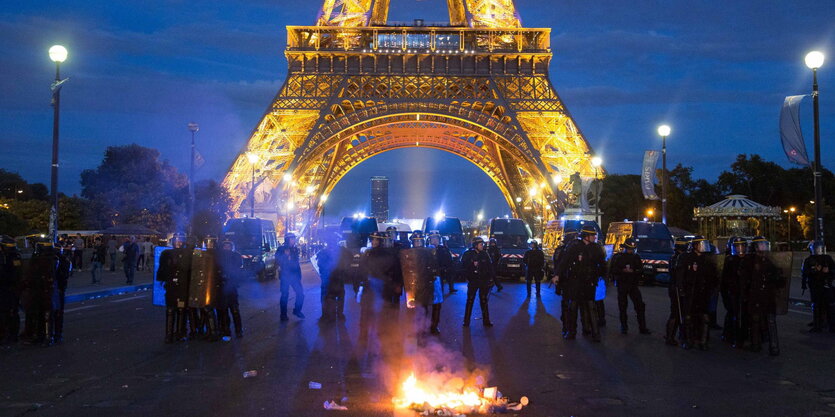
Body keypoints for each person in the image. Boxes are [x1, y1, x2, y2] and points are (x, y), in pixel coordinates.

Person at [556, 225, 606, 341]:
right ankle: (571, 332)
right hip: (575, 281)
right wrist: (557, 274)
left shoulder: (596, 248)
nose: (594, 237)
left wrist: (601, 276)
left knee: (591, 307)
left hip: (589, 281)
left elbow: (602, 264)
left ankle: (595, 334)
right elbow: (564, 262)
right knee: (572, 307)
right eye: (593, 235)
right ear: (586, 236)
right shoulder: (574, 247)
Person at [739, 236, 785, 355]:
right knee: (755, 320)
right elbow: (744, 280)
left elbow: (777, 279)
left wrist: (778, 277)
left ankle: (774, 347)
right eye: (761, 245)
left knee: (770, 320)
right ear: (755, 247)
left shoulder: (768, 261)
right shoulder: (749, 261)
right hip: (755, 295)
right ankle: (756, 344)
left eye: (765, 245)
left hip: (768, 295)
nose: (764, 247)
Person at [679, 236, 718, 350]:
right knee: (688, 317)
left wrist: (712, 288)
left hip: (703, 292)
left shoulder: (707, 259)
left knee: (704, 317)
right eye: (700, 244)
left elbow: (713, 276)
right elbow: (681, 275)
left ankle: (703, 340)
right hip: (691, 291)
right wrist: (682, 288)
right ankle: (688, 340)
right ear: (695, 245)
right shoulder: (687, 258)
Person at [402, 231, 443, 335]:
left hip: (431, 282)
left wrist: (436, 276)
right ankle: (420, 329)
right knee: (420, 307)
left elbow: (440, 266)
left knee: (436, 305)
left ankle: (432, 327)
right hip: (417, 284)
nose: (418, 243)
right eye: (416, 242)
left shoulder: (432, 252)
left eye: (420, 241)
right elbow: (406, 271)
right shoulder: (409, 253)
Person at [157, 233, 193, 343]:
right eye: (177, 240)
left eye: (181, 240)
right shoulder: (166, 253)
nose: (178, 242)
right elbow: (162, 268)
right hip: (171, 285)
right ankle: (169, 334)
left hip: (183, 285)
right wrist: (162, 280)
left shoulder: (188, 253)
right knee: (170, 309)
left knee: (181, 309)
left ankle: (180, 333)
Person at [609, 238, 650, 335]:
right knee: (622, 307)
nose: (631, 251)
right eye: (629, 248)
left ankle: (642, 327)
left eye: (632, 249)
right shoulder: (618, 257)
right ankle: (624, 327)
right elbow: (613, 270)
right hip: (622, 285)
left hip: (633, 285)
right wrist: (622, 271)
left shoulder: (636, 257)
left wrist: (634, 272)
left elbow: (641, 270)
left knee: (640, 306)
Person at [802, 240, 835, 333]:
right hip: (815, 286)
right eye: (816, 248)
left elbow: (833, 269)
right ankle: (817, 326)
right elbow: (805, 273)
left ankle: (832, 325)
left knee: (830, 306)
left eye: (819, 248)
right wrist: (813, 272)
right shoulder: (809, 260)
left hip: (826, 285)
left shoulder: (827, 258)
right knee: (816, 306)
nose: (818, 250)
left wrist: (828, 271)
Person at [461, 237, 493, 327]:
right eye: (480, 244)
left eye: (482, 244)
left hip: (483, 281)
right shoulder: (467, 254)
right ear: (475, 245)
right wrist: (471, 265)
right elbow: (463, 267)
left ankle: (486, 321)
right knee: (470, 300)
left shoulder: (485, 254)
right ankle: (466, 321)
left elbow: (490, 267)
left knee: (484, 300)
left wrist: (491, 279)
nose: (482, 246)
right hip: (473, 281)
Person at [720, 237, 747, 346]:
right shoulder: (730, 260)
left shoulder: (748, 259)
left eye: (742, 246)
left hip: (744, 292)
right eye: (737, 246)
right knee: (732, 314)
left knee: (744, 315)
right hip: (733, 291)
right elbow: (725, 279)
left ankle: (743, 336)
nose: (740, 249)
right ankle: (729, 335)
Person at [552, 232, 579, 336]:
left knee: (568, 306)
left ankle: (568, 328)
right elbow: (558, 265)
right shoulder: (564, 250)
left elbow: (557, 266)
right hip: (568, 281)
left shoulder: (563, 249)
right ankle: (569, 328)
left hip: (568, 281)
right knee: (570, 306)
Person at [664, 237, 690, 346]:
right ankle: (670, 337)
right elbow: (678, 275)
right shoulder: (678, 258)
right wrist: (680, 288)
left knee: (678, 312)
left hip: (675, 287)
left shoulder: (675, 257)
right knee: (676, 312)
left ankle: (675, 335)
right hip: (676, 288)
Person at [217, 239, 244, 338]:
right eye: (225, 246)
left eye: (228, 246)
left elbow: (238, 268)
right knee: (223, 310)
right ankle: (226, 330)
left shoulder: (235, 256)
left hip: (231, 286)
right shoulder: (219, 256)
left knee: (234, 309)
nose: (226, 248)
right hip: (222, 287)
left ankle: (238, 330)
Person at [316, 236, 345, 322]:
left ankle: (326, 314)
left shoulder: (324, 252)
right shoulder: (340, 251)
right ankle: (337, 314)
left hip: (330, 279)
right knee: (338, 296)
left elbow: (319, 265)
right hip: (333, 279)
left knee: (327, 296)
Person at [0, 235, 22, 344]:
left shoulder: (11, 257)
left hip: (9, 288)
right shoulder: (11, 256)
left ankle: (11, 335)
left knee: (10, 312)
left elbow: (14, 274)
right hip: (8, 288)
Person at [278, 233, 304, 321]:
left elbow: (296, 263)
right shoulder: (281, 249)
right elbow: (278, 260)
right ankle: (283, 315)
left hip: (295, 276)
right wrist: (285, 256)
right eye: (292, 238)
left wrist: (299, 275)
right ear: (288, 239)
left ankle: (297, 310)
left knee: (300, 294)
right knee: (285, 295)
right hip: (285, 276)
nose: (294, 240)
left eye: (294, 238)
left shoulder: (295, 249)